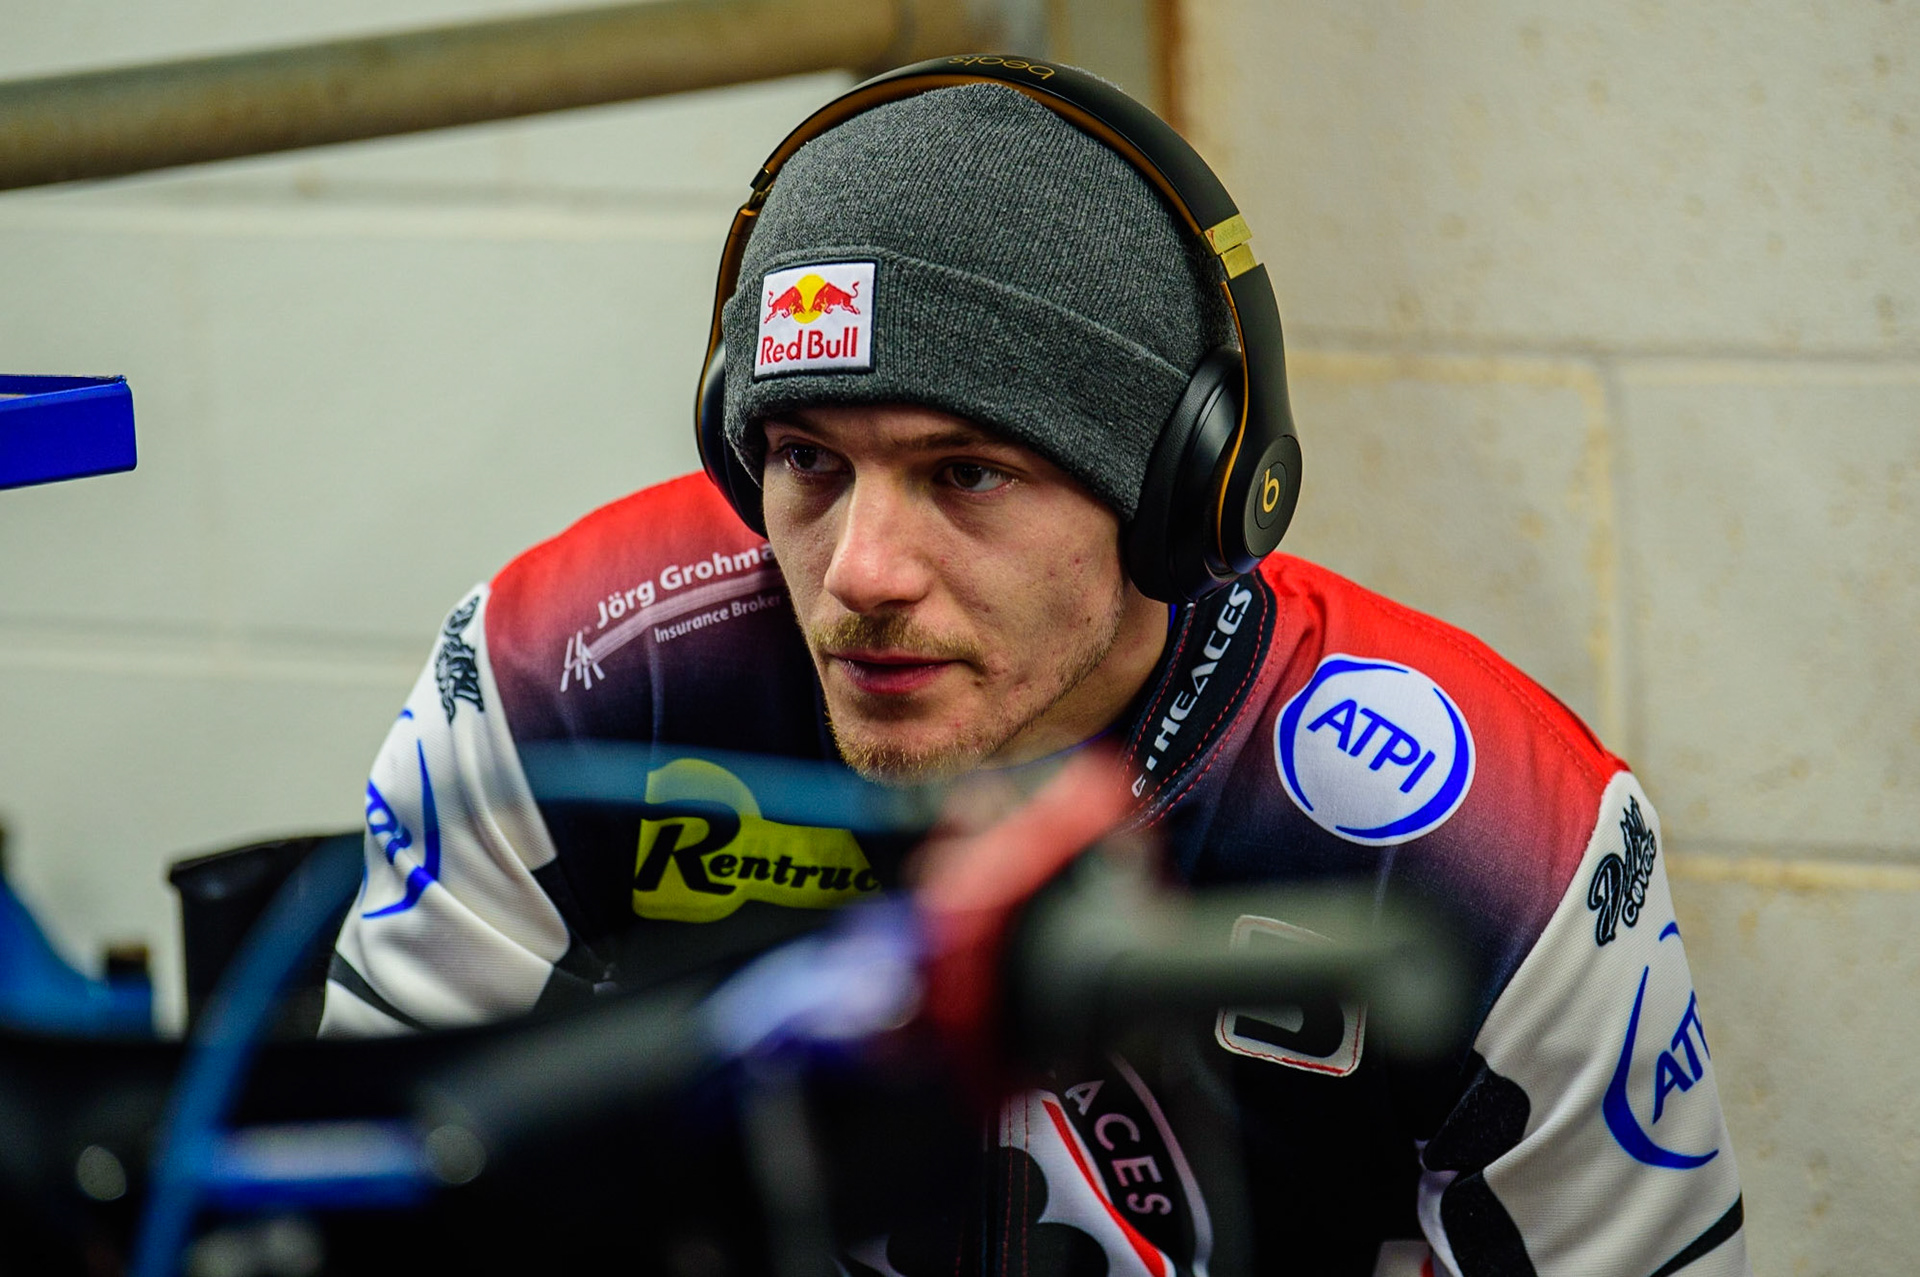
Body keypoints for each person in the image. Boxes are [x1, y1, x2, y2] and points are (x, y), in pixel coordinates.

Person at [320, 61, 1750, 1277]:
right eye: (809, 460)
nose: (862, 569)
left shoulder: (1492, 835)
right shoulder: (569, 672)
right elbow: (349, 1223)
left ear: (1180, 497)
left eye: (968, 473)